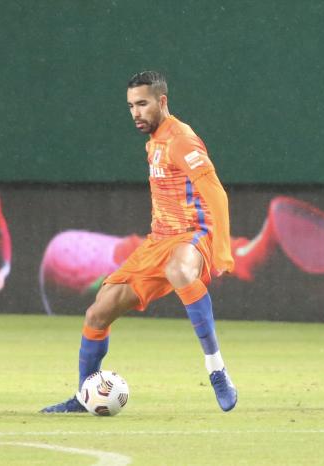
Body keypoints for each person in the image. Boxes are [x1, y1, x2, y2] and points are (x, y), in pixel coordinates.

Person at [41, 71, 238, 413]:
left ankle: (216, 369)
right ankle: (85, 396)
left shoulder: (181, 140)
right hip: (158, 241)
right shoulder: (154, 141)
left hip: (193, 233)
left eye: (143, 104)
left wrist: (222, 250)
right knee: (98, 312)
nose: (136, 112)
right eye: (131, 106)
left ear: (162, 101)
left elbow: (216, 192)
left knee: (179, 271)